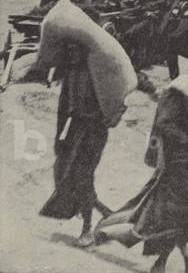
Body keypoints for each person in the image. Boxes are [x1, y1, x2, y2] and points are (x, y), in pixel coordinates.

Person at [95, 62, 188, 273]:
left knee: (164, 216)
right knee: (180, 216)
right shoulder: (184, 93)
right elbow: (164, 125)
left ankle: (113, 235)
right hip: (174, 164)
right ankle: (185, 266)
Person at [38, 42, 116, 246]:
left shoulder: (98, 69)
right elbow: (63, 107)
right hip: (76, 128)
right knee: (63, 172)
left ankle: (87, 229)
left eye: (75, 49)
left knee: (83, 176)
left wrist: (112, 116)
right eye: (69, 49)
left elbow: (117, 97)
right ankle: (103, 211)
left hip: (95, 130)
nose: (71, 53)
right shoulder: (72, 71)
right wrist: (58, 137)